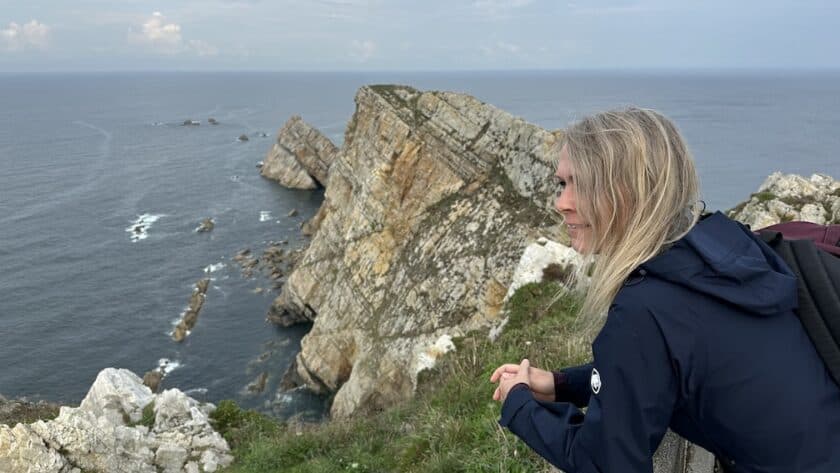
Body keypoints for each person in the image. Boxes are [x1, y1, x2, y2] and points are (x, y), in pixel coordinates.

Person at [489, 107, 840, 473]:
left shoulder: (645, 308)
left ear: (630, 192)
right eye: (562, 184)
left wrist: (519, 406)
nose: (562, 202)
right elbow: (670, 363)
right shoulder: (717, 246)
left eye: (583, 184)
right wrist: (563, 384)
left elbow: (604, 463)